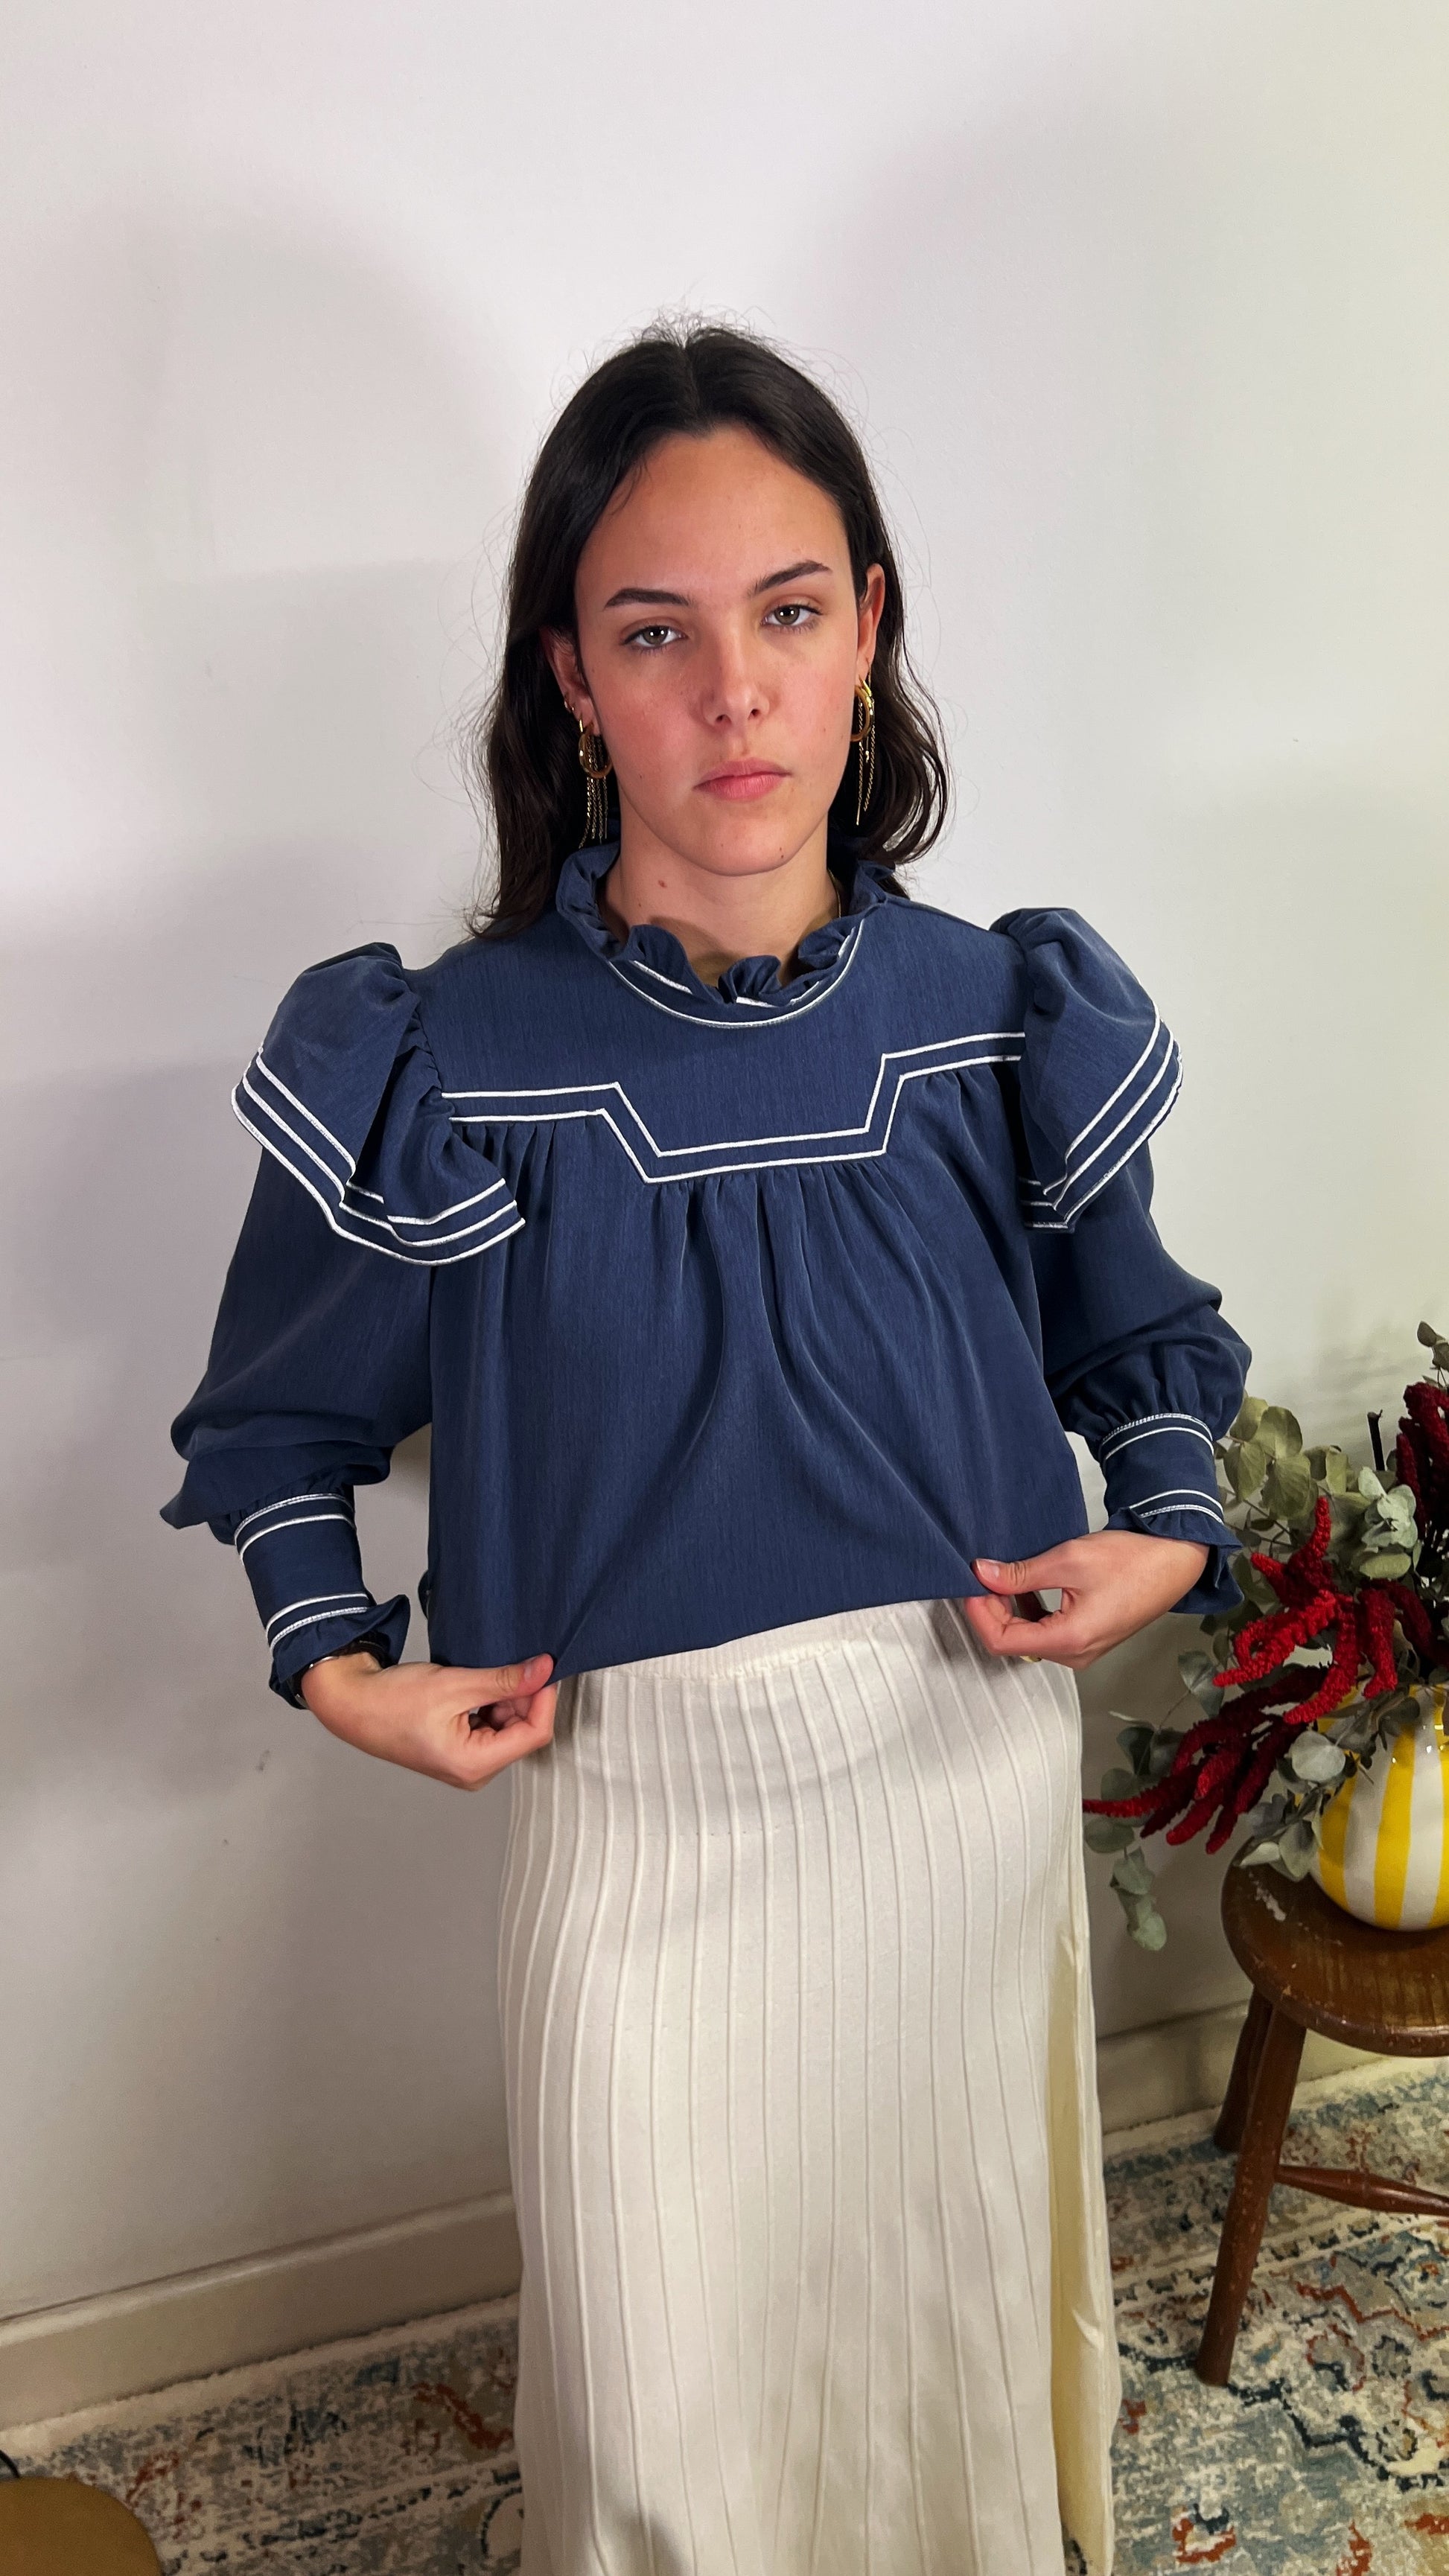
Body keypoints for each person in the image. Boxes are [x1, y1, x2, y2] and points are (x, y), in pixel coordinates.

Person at [162, 319, 1249, 2576]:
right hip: (634, 1812)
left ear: (868, 627)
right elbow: (279, 1410)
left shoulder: (996, 1014)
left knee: (938, 2319)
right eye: (656, 633)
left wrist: (1163, 1527)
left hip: (951, 1774)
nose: (734, 694)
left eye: (788, 611)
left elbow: (1138, 1330)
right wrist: (338, 1665)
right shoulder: (444, 1055)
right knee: (668, 2395)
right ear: (571, 676)